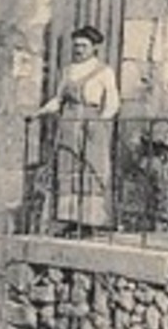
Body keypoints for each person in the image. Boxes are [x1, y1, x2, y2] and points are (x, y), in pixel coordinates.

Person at [37, 25, 121, 237]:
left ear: (94, 48)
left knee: (90, 171)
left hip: (92, 126)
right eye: (76, 46)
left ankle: (89, 223)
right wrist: (41, 111)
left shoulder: (104, 72)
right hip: (69, 124)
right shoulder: (67, 71)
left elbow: (112, 102)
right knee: (68, 170)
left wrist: (101, 122)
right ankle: (70, 220)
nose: (79, 50)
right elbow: (59, 99)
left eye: (84, 46)